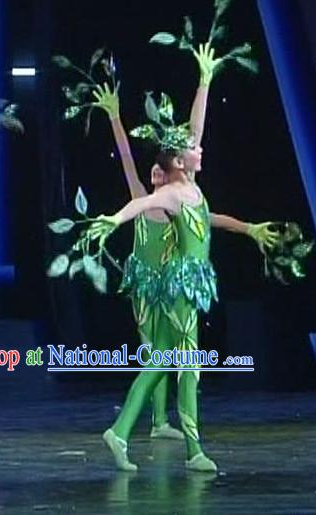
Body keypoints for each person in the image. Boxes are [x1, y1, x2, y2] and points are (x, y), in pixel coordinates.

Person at [91, 43, 222, 440]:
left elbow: (195, 132)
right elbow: (130, 163)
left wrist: (205, 81)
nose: (198, 149)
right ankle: (167, 428)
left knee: (163, 357)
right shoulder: (156, 195)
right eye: (190, 150)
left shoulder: (185, 189)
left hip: (176, 278)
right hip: (158, 282)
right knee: (160, 353)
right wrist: (113, 217)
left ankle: (143, 427)